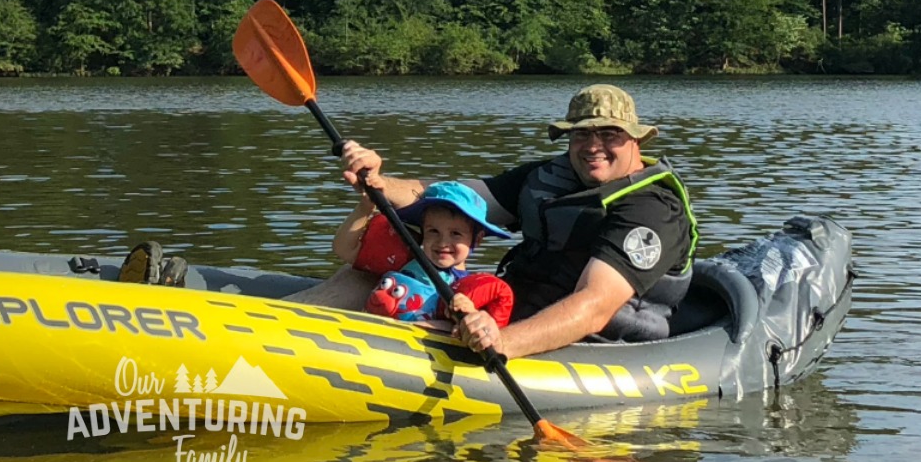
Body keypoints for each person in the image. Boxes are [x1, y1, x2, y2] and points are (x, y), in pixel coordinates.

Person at [290, 84, 696, 361]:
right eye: (580, 134)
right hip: (509, 311)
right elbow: (448, 197)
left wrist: (500, 341)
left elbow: (593, 307)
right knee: (373, 276)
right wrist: (379, 180)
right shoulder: (552, 177)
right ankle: (278, 330)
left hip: (595, 342)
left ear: (637, 140)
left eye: (609, 134)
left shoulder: (651, 209)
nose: (592, 146)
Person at [333, 178, 516, 327]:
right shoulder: (405, 261)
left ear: (477, 239)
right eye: (433, 231)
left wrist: (470, 314)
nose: (443, 242)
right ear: (423, 232)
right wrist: (364, 208)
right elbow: (344, 249)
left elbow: (471, 330)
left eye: (455, 234)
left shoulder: (468, 290)